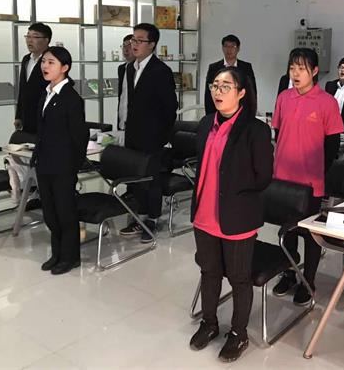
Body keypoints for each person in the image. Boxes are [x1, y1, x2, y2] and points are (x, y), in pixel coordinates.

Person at [189, 66, 273, 362]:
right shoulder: (205, 124)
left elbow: (264, 176)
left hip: (237, 216)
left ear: (241, 93)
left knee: (239, 278)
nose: (218, 91)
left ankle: (239, 333)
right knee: (209, 272)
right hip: (204, 214)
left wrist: (236, 191)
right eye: (215, 85)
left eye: (226, 86)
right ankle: (209, 323)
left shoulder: (255, 130)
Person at [271, 48, 344, 305]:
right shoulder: (284, 97)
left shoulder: (327, 102)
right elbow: (278, 133)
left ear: (314, 71)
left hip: (310, 183)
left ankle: (308, 280)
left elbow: (333, 145)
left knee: (309, 233)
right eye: (292, 68)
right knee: (286, 230)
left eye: (301, 68)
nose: (296, 73)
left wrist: (317, 171)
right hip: (282, 179)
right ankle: (289, 273)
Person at [32, 46, 89, 275]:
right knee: (50, 212)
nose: (45, 66)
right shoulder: (46, 93)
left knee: (65, 213)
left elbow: (79, 136)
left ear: (64, 68)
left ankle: (70, 257)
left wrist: (72, 166)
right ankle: (57, 253)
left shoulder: (71, 99)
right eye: (44, 61)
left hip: (63, 165)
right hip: (45, 162)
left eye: (51, 62)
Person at [118, 23, 178, 243]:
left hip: (153, 136)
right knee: (135, 179)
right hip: (131, 133)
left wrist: (162, 136)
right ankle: (139, 216)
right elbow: (125, 102)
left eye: (140, 40)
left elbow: (170, 107)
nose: (134, 44)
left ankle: (152, 219)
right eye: (133, 40)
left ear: (152, 44)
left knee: (151, 179)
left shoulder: (160, 71)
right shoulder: (128, 68)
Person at [204, 34, 257, 115]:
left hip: (242, 113)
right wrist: (210, 115)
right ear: (222, 48)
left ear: (238, 49)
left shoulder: (246, 67)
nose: (229, 49)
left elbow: (252, 92)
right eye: (226, 46)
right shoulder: (213, 68)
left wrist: (251, 114)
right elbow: (208, 94)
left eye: (233, 46)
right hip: (218, 113)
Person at [15, 22, 51, 134]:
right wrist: (18, 115)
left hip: (45, 116)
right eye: (28, 36)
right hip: (27, 117)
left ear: (46, 40)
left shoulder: (52, 60)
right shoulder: (26, 59)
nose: (30, 40)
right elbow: (23, 89)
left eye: (35, 37)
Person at [116, 34, 134, 133]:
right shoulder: (121, 69)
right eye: (124, 46)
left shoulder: (142, 70)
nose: (126, 50)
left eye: (129, 46)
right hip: (122, 121)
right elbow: (122, 97)